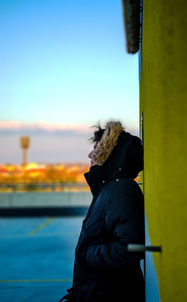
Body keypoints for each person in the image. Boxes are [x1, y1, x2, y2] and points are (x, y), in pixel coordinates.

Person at [59, 121, 145, 302]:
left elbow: (131, 248)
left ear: (111, 153)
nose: (90, 154)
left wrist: (86, 255)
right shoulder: (109, 189)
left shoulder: (120, 190)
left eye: (97, 148)